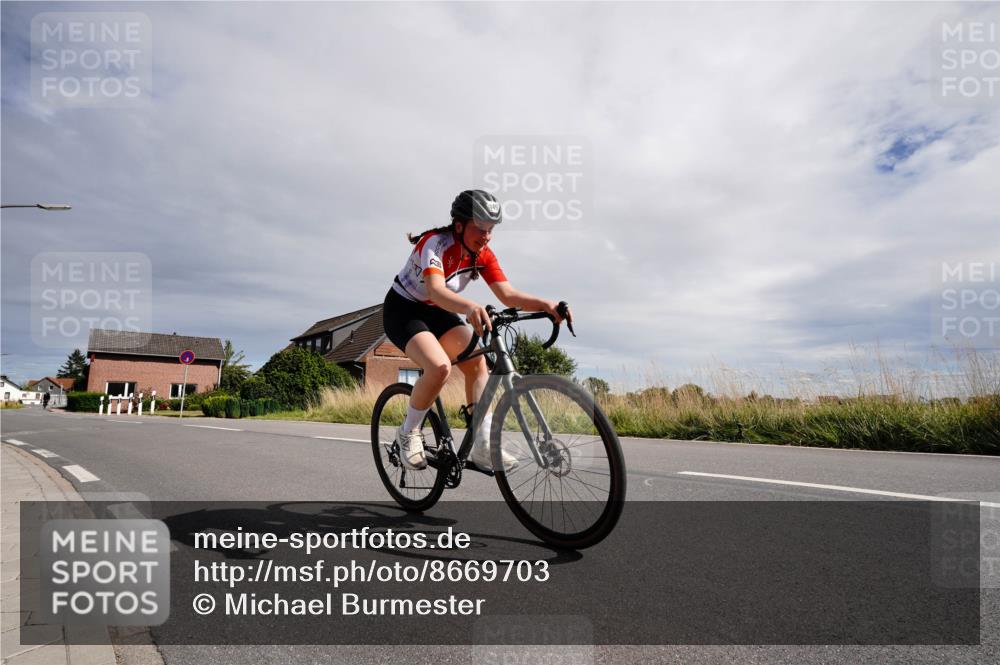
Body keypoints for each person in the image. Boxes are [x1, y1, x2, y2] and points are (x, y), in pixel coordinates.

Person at [382, 189, 572, 472]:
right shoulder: (434, 244)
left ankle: (482, 445)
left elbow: (507, 295)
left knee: (477, 363)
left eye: (491, 229)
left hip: (439, 310)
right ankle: (409, 431)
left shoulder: (482, 254)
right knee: (439, 367)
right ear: (459, 225)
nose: (486, 235)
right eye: (480, 228)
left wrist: (546, 305)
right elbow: (435, 289)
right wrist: (470, 307)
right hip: (404, 310)